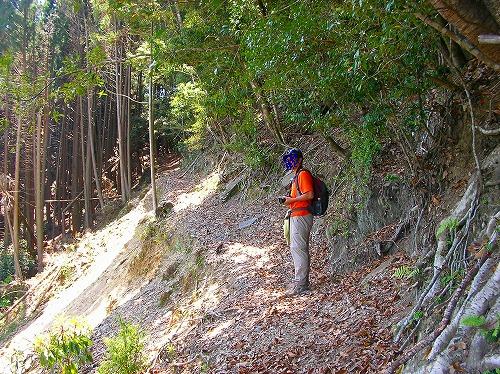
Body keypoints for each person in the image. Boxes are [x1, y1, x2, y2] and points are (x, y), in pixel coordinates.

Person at [280, 148, 314, 296]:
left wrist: (291, 200)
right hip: (296, 215)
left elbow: (310, 194)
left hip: (302, 215)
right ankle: (300, 281)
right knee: (298, 248)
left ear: (299, 159)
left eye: (292, 158)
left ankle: (301, 284)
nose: (289, 161)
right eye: (288, 159)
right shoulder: (296, 176)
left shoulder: (303, 174)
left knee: (298, 248)